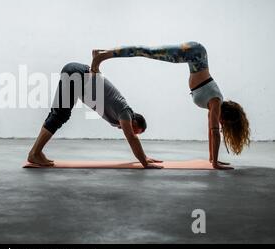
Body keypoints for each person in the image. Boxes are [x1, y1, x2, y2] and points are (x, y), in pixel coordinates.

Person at [90, 41, 250, 170]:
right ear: (226, 116)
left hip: (195, 57)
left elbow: (211, 132)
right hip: (195, 53)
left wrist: (212, 159)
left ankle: (102, 53)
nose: (221, 125)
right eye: (225, 123)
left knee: (146, 51)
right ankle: (101, 57)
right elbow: (215, 133)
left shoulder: (213, 105)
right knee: (146, 51)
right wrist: (215, 164)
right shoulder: (216, 102)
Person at [27, 62, 163, 169]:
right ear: (134, 120)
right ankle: (35, 153)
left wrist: (143, 157)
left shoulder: (119, 114)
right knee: (59, 115)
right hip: (78, 73)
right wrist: (144, 161)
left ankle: (36, 153)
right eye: (134, 129)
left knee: (59, 114)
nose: (128, 131)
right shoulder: (125, 111)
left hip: (76, 74)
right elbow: (132, 139)